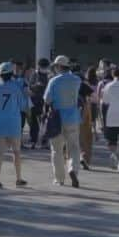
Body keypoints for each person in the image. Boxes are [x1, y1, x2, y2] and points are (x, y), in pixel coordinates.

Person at [0, 60, 28, 190]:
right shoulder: (16, 87)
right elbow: (23, 106)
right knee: (16, 152)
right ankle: (18, 178)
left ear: (0, 74)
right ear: (11, 73)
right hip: (14, 124)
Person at [44, 55, 82, 189]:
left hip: (57, 118)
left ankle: (59, 178)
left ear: (59, 67)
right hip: (73, 117)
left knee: (56, 150)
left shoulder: (53, 81)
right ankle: (72, 168)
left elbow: (47, 99)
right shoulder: (76, 80)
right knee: (74, 147)